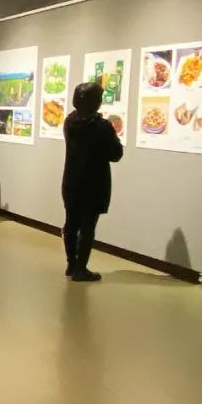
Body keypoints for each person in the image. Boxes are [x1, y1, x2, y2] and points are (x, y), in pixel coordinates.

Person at [62, 81, 123, 282]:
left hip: (71, 179)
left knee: (71, 223)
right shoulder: (101, 126)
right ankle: (81, 268)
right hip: (94, 182)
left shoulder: (70, 121)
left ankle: (71, 264)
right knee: (88, 226)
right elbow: (116, 154)